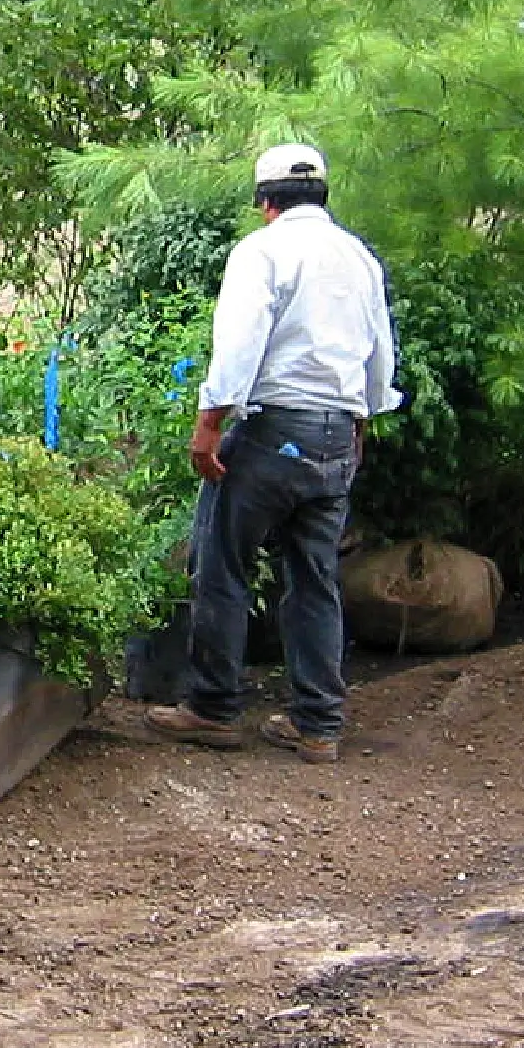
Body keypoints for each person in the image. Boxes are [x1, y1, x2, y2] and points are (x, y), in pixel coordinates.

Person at [144, 142, 400, 765]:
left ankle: (212, 708)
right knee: (315, 581)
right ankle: (319, 725)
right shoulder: (358, 258)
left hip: (271, 432)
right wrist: (360, 422)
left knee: (222, 565)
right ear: (322, 196)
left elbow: (239, 342)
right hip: (336, 434)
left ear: (265, 202)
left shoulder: (262, 252)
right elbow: (379, 354)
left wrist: (209, 423)